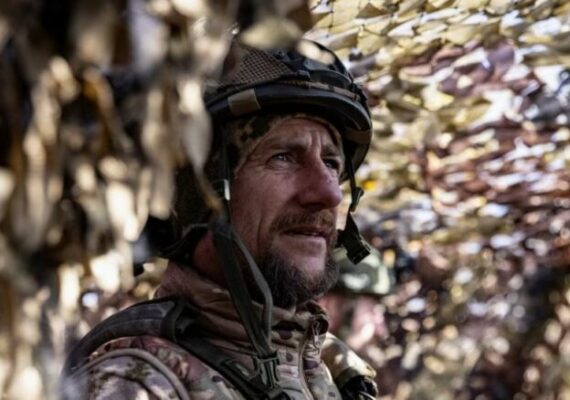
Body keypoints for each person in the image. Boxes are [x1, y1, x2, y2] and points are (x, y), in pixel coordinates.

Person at [61, 38, 378, 399]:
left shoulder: (334, 372)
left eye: (332, 163)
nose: (329, 193)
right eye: (283, 157)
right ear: (197, 194)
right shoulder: (139, 387)